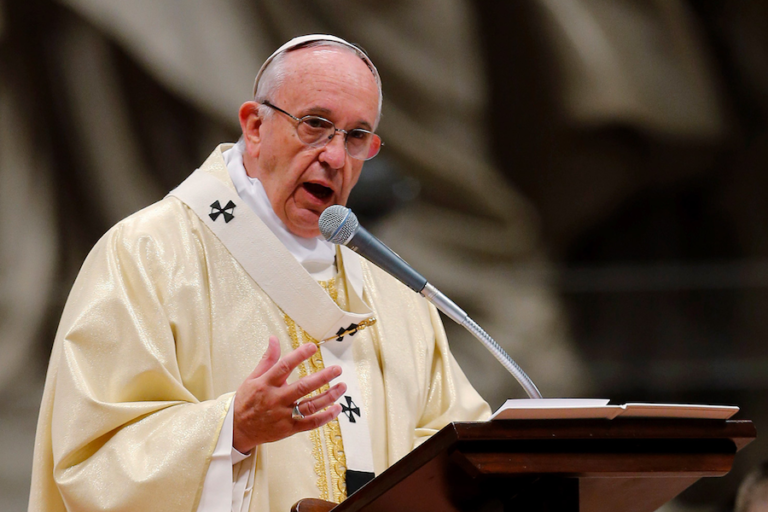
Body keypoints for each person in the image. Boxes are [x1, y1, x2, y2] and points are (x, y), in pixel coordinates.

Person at [28, 34, 490, 512]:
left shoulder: (392, 288)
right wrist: (234, 429)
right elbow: (91, 461)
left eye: (356, 137)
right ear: (254, 126)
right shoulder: (149, 254)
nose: (335, 157)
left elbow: (458, 454)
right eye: (315, 125)